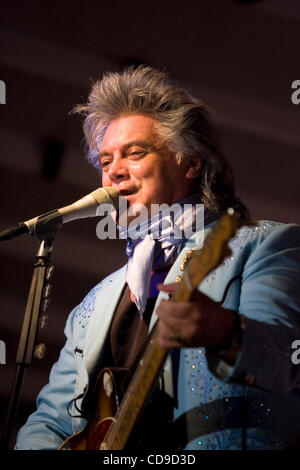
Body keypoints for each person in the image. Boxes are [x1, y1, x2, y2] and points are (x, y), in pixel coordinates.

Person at [15, 66, 300, 450]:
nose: (114, 171)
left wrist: (227, 332)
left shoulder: (264, 247)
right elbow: (49, 421)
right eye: (105, 161)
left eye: (134, 153)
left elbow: (287, 361)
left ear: (191, 162)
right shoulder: (94, 304)